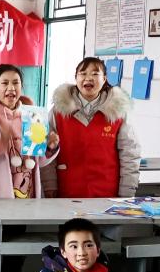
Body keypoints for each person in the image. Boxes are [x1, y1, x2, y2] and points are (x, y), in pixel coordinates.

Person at [44, 57, 141, 198]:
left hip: (107, 194)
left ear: (104, 79)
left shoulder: (118, 113)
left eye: (95, 74)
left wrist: (127, 192)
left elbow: (130, 154)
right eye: (83, 73)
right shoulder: (58, 111)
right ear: (76, 78)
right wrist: (49, 186)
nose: (88, 78)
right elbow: (47, 152)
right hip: (66, 193)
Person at [0, 64, 57, 199]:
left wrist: (50, 147)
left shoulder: (32, 115)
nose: (11, 88)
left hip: (29, 195)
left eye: (16, 83)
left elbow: (39, 161)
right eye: (5, 83)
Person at [25, 218, 119, 272]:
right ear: (63, 252)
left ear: (98, 251)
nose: (81, 253)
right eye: (74, 246)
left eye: (88, 245)